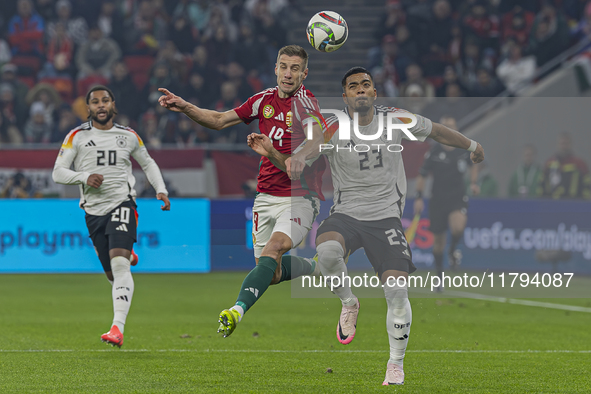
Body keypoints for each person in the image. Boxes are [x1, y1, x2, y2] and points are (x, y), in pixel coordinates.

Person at [248, 67, 485, 385]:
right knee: (328, 252)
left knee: (397, 291)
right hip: (346, 214)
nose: (360, 90)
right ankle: (349, 301)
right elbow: (301, 160)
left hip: (386, 217)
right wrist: (278, 154)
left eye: (366, 85)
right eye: (353, 86)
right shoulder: (331, 127)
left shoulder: (396, 118)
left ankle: (395, 364)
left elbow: (437, 132)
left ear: (374, 93)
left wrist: (471, 145)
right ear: (345, 96)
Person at [158, 45, 325, 338]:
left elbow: (316, 135)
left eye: (295, 68)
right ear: (275, 68)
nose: (288, 74)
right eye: (284, 66)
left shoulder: (305, 103)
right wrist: (185, 107)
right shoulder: (262, 101)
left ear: (304, 74)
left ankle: (236, 311)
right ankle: (318, 266)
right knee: (269, 272)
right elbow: (219, 120)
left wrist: (302, 154)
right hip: (266, 195)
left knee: (274, 249)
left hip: (300, 196)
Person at [52, 85, 170, 348]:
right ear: (88, 108)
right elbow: (58, 172)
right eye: (95, 102)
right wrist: (83, 176)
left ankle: (117, 328)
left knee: (119, 266)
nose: (101, 105)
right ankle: (127, 252)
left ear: (113, 105)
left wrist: (160, 190)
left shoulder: (128, 135)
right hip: (93, 212)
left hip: (122, 204)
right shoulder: (76, 137)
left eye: (105, 100)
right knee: (112, 274)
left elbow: (148, 162)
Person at [414, 116, 479, 285]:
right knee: (438, 244)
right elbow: (422, 175)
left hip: (457, 197)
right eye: (446, 126)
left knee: (458, 228)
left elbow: (474, 164)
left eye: (452, 126)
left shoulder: (463, 149)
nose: (449, 129)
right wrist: (419, 198)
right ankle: (439, 278)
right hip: (438, 200)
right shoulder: (434, 152)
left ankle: (453, 251)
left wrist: (473, 183)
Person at [539, 132, 590, 199]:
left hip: (574, 204)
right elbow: (542, 184)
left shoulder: (579, 163)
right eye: (562, 143)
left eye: (566, 143)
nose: (564, 146)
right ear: (558, 145)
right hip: (552, 204)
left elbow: (588, 185)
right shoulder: (549, 163)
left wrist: (585, 202)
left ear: (570, 145)